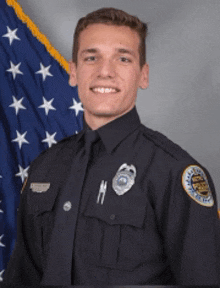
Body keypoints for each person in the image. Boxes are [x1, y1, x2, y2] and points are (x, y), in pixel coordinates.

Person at [4, 7, 220, 286]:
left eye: (123, 58)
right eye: (92, 57)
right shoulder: (45, 168)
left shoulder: (173, 173)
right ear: (74, 72)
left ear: (143, 75)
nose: (105, 72)